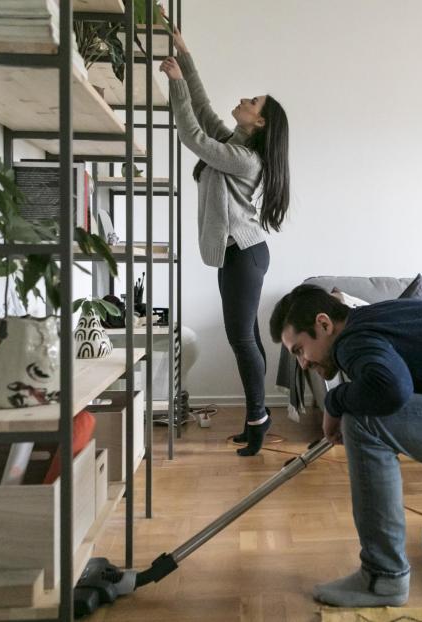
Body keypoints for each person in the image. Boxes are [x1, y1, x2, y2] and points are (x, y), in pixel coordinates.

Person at [269, 284, 422, 607]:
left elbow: (392, 389)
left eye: (299, 350)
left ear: (324, 324)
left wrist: (334, 402)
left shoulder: (352, 341)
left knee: (361, 419)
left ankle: (382, 578)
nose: (302, 364)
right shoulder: (371, 321)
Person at [160, 28, 290, 457]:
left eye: (252, 102)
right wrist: (186, 56)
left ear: (260, 122)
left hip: (244, 255)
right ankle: (258, 416)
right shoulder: (234, 142)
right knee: (246, 336)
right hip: (240, 254)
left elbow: (193, 137)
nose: (244, 100)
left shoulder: (245, 159)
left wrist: (175, 83)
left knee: (241, 339)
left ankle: (257, 419)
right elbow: (203, 111)